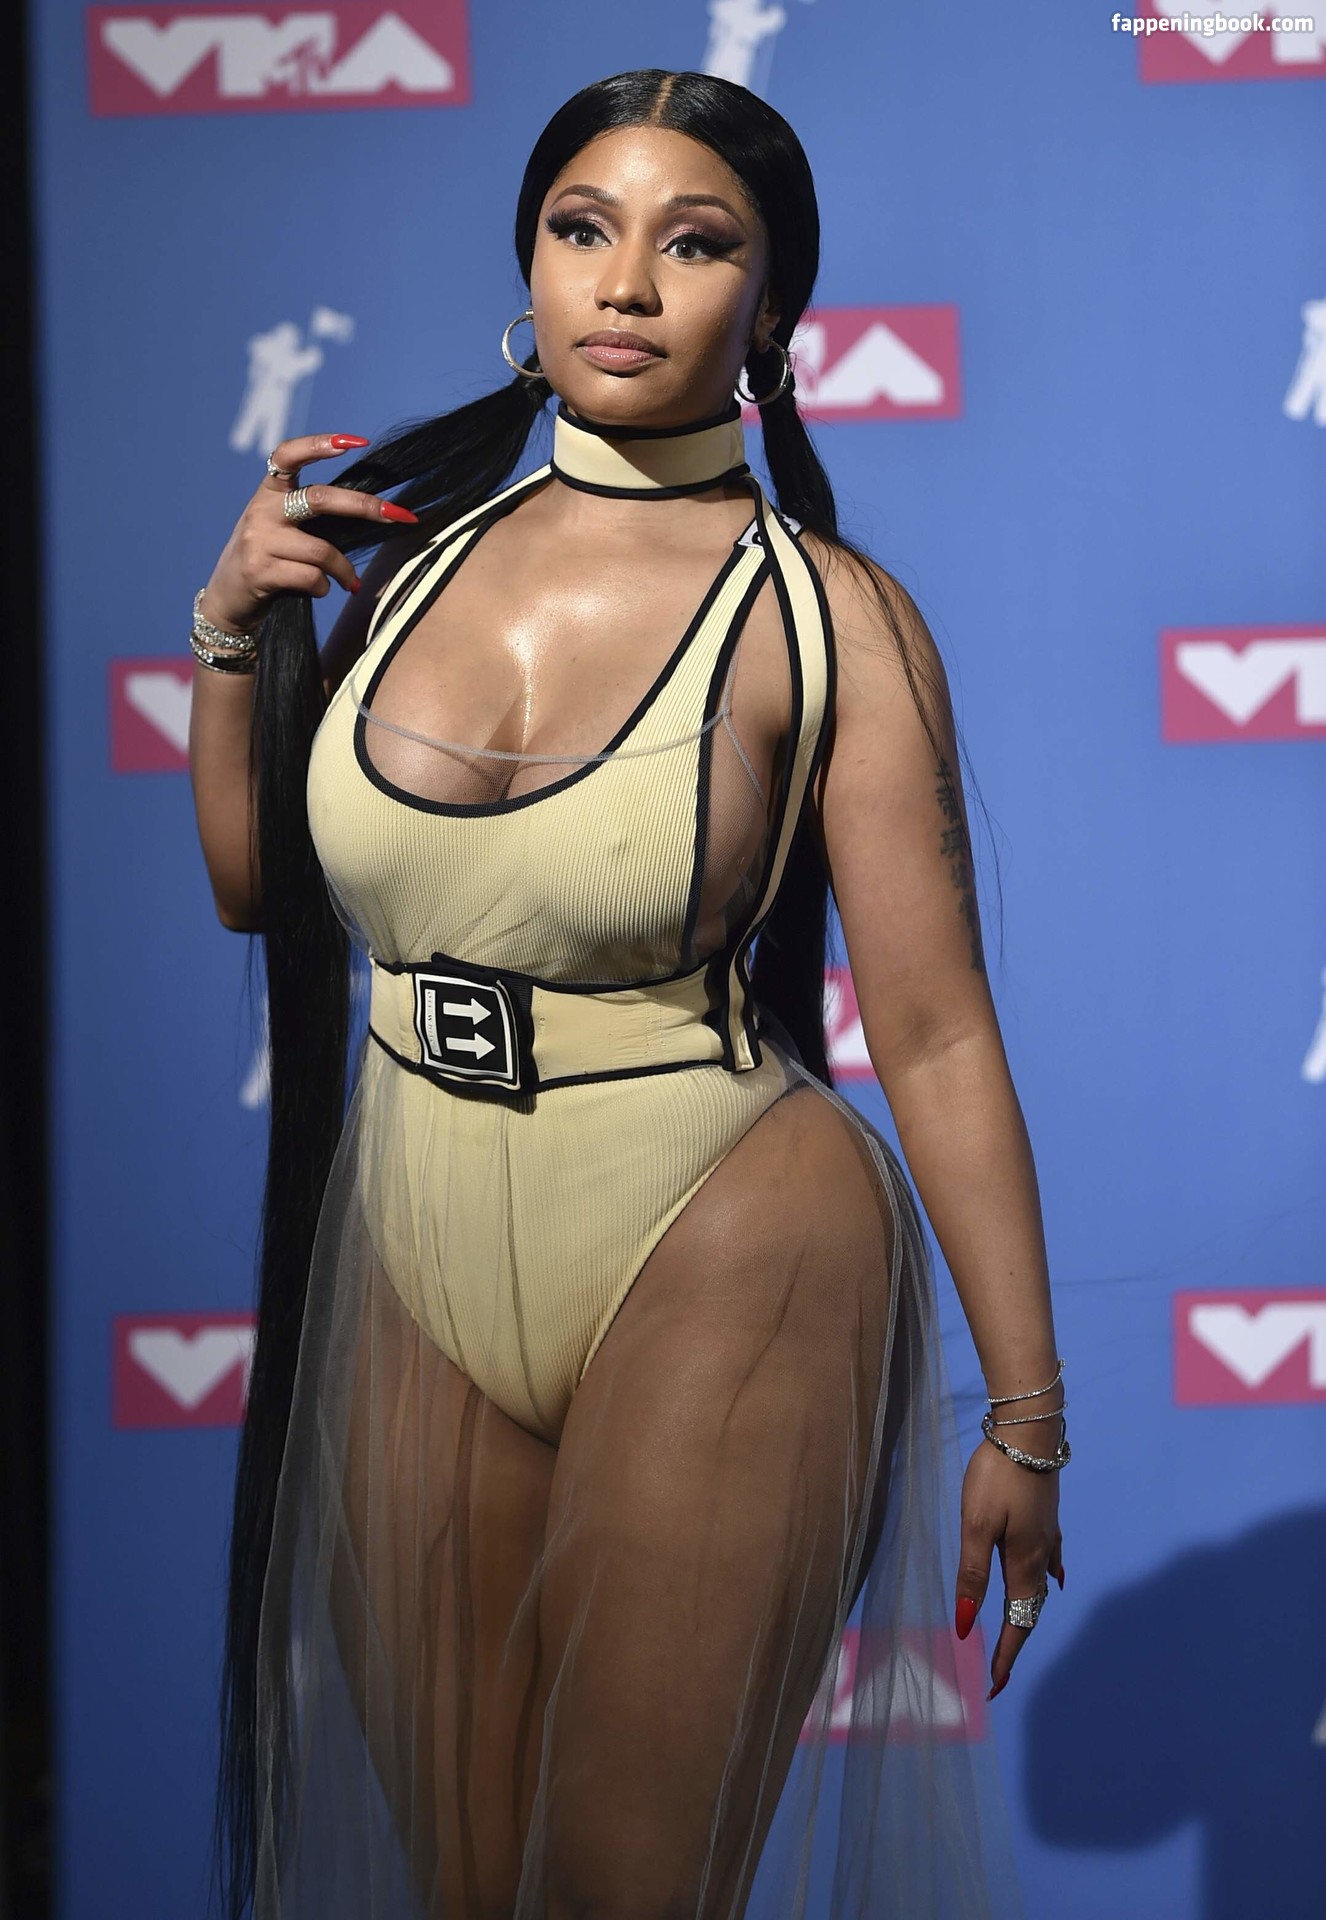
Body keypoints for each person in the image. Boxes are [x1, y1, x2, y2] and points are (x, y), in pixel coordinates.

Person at [187, 67, 1067, 1920]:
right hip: (414, 1237)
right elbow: (260, 891)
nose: (628, 283)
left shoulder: (825, 615)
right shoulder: (401, 560)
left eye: (696, 242)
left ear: (773, 302)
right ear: (528, 263)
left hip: (723, 1236)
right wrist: (229, 637)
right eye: (582, 228)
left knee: (623, 1891)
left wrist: (1024, 1417)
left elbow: (931, 1033)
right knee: (465, 1886)